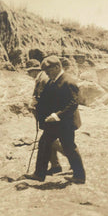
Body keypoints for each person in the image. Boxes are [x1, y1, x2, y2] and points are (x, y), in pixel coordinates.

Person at [26, 56, 86, 184]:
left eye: (48, 71)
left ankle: (79, 176)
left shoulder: (68, 82)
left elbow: (73, 104)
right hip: (54, 123)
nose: (47, 74)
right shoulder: (51, 81)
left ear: (57, 67)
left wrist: (57, 115)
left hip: (65, 123)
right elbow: (45, 99)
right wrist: (36, 104)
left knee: (69, 147)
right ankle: (39, 174)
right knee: (44, 144)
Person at [31, 70, 64, 175]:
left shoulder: (45, 77)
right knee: (49, 141)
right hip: (45, 114)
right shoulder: (40, 76)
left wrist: (37, 104)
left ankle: (73, 159)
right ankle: (55, 165)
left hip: (49, 115)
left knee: (51, 141)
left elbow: (47, 97)